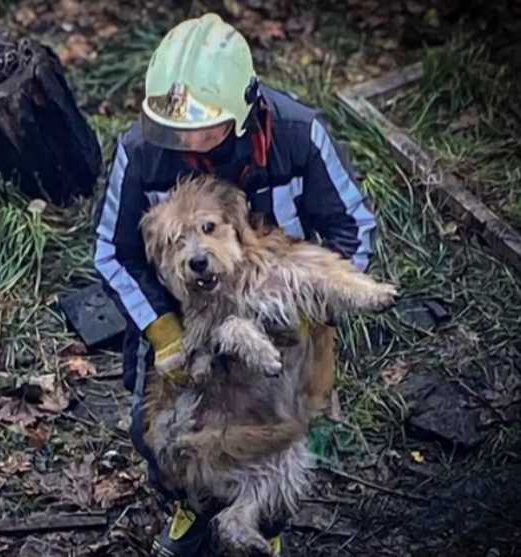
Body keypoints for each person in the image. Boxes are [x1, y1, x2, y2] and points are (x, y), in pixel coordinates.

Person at [92, 13, 377, 557]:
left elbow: (353, 226)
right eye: (174, 127)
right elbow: (111, 251)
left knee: (284, 425)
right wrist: (164, 332)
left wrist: (317, 312)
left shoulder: (297, 134)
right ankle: (191, 506)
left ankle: (263, 527)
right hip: (184, 317)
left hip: (284, 314)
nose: (185, 141)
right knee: (154, 428)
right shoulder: (142, 151)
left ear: (243, 107)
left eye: (201, 127)